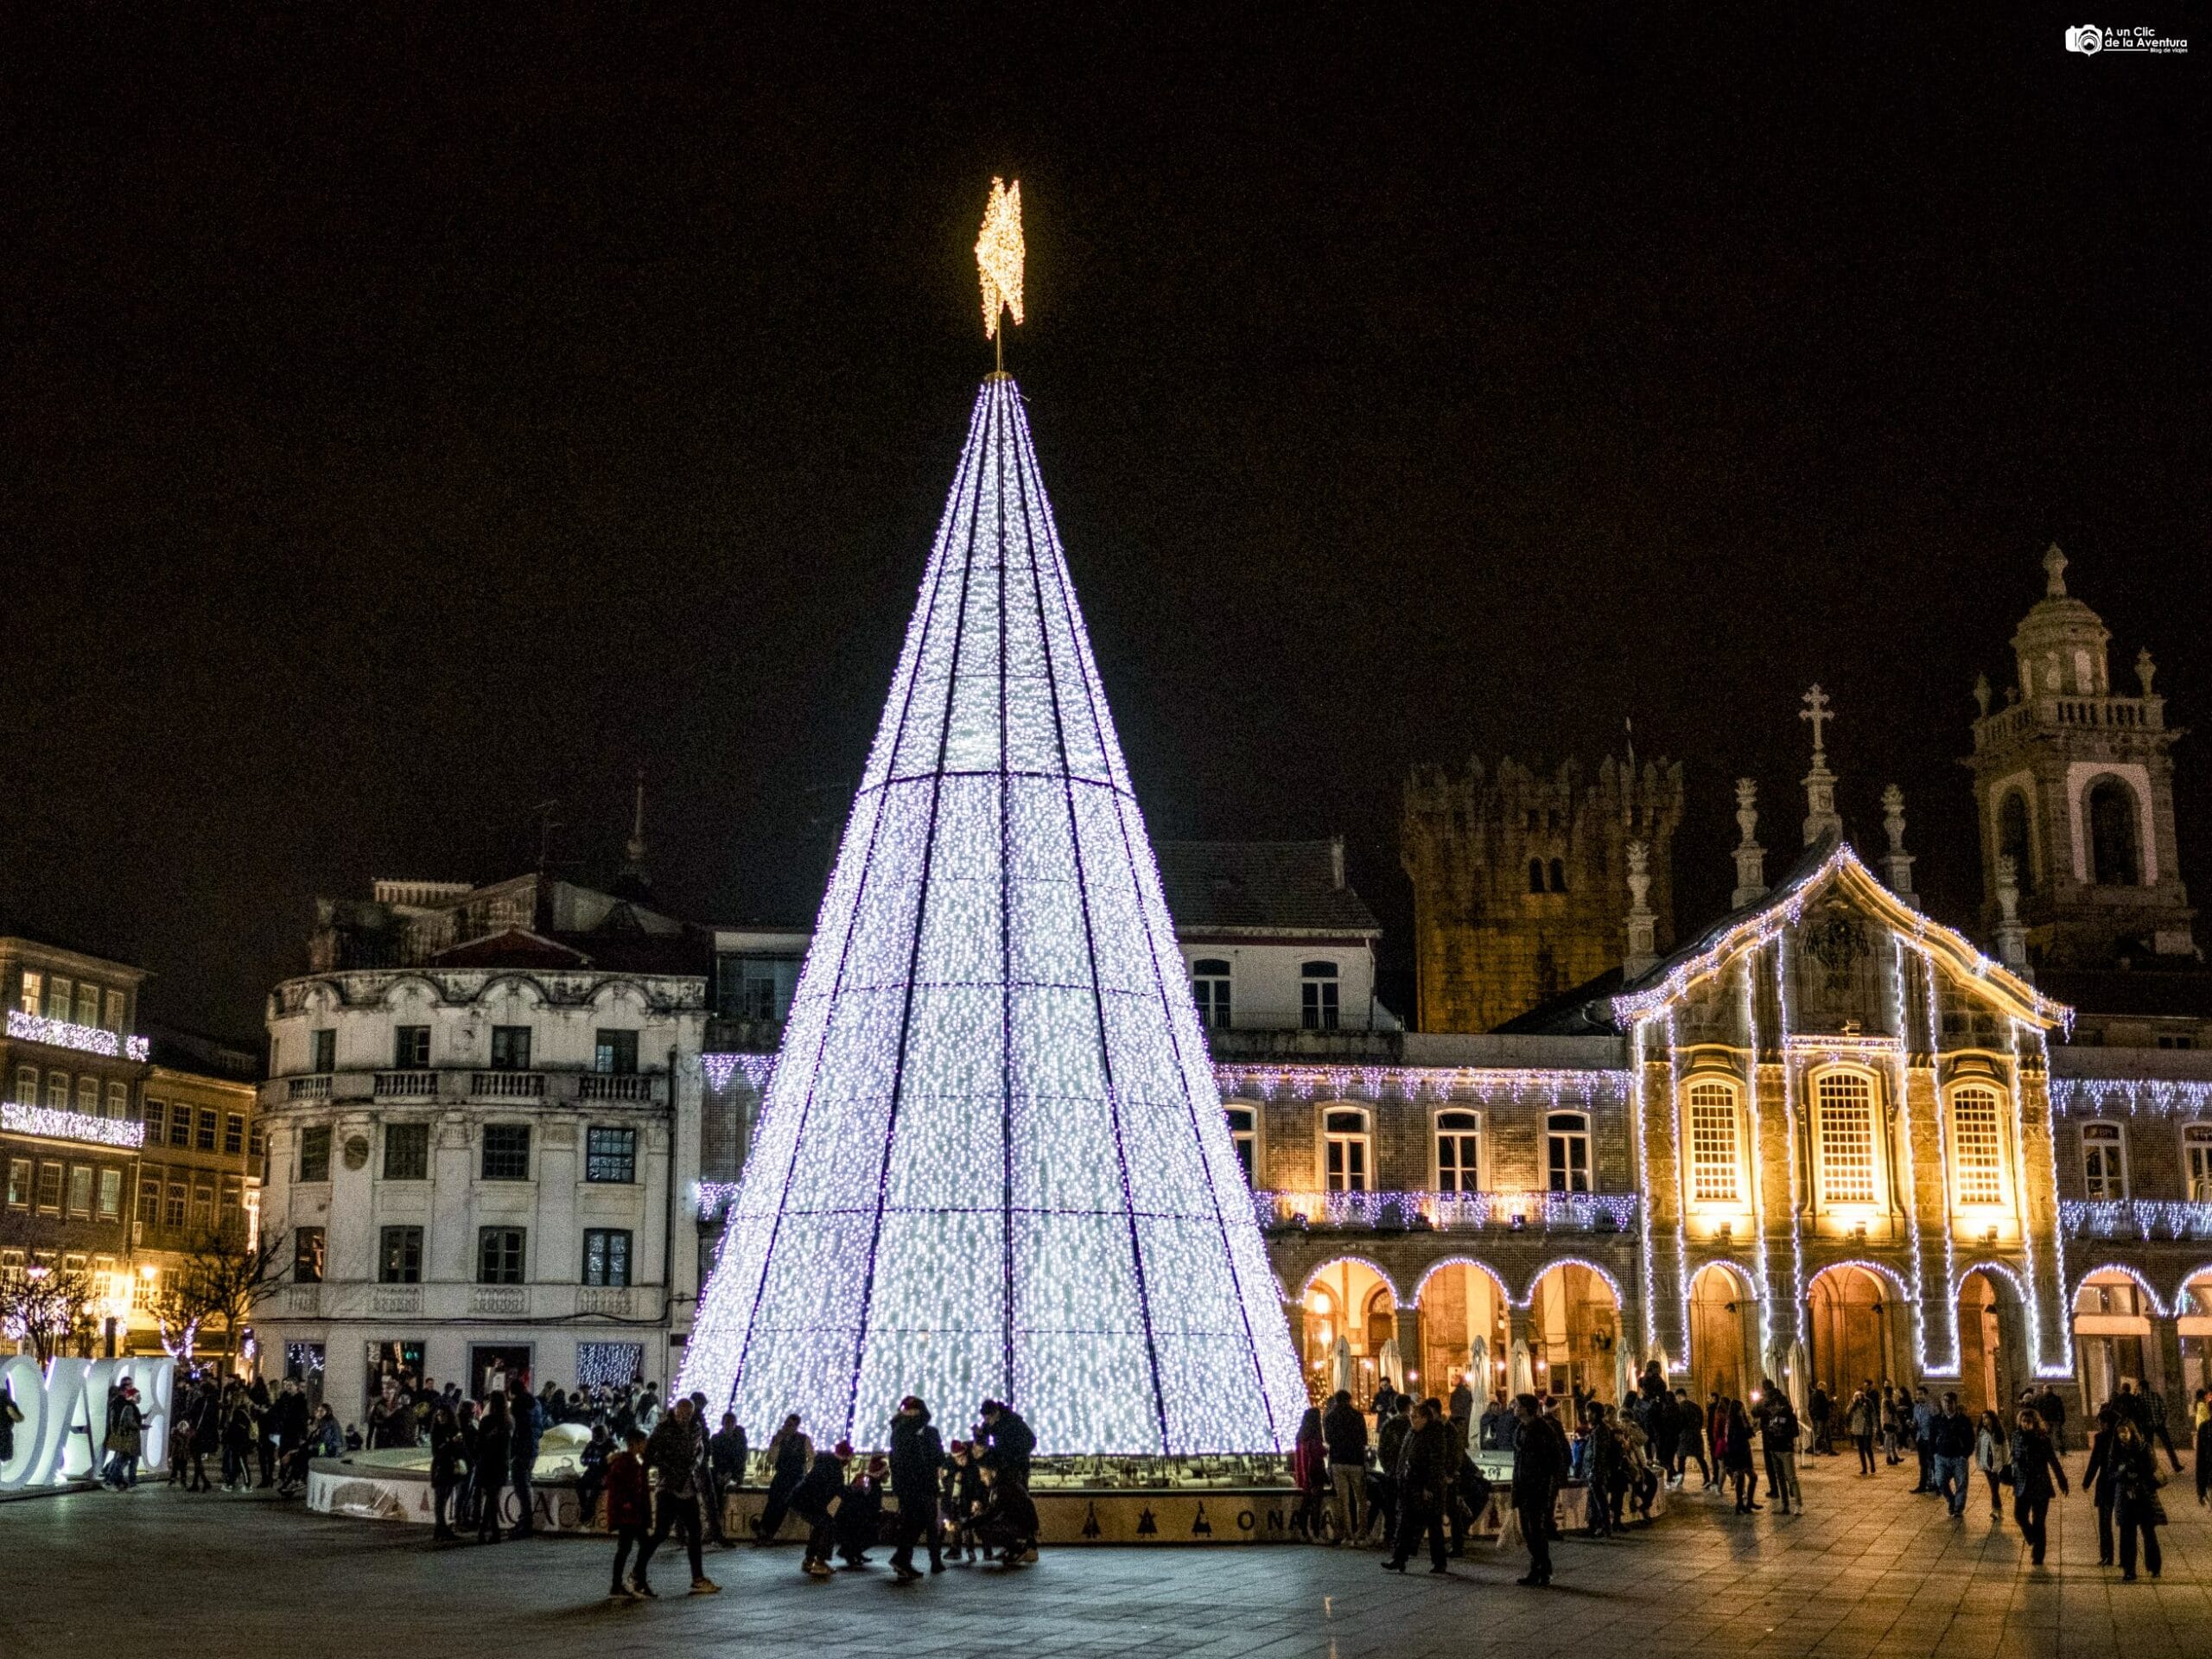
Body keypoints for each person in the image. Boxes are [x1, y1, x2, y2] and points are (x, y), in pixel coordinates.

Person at [639, 1397, 719, 1595]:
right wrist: (666, 1468)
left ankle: (698, 1578)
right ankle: (637, 1573)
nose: (684, 1418)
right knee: (661, 1533)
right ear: (675, 1412)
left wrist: (695, 1464)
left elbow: (700, 1449)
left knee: (695, 1531)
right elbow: (648, 1454)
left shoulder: (695, 1428)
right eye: (681, 1414)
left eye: (688, 1414)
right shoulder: (663, 1429)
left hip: (687, 1486)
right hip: (669, 1487)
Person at [1382, 1399, 1452, 1574]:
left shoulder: (1434, 1435)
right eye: (1411, 1416)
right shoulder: (1411, 1433)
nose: (1412, 1419)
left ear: (1425, 1418)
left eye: (1416, 1417)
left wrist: (1429, 1486)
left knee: (1433, 1525)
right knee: (1404, 1523)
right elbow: (1403, 1457)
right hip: (1409, 1485)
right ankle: (1399, 1558)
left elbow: (1436, 1463)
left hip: (1426, 1487)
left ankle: (1439, 1562)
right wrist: (1399, 1476)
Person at [888, 1395, 945, 1582]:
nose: (914, 1414)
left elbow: (937, 1455)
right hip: (912, 1485)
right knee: (915, 1520)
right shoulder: (903, 1429)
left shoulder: (917, 1431)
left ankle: (903, 1560)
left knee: (919, 1521)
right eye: (910, 1410)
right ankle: (902, 1560)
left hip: (922, 1484)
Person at [1510, 1394, 1564, 1587]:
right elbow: (1518, 1461)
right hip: (1523, 1485)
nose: (1513, 1407)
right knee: (1528, 1530)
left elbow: (1555, 1458)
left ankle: (1543, 1569)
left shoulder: (1542, 1430)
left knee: (1536, 1529)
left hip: (1537, 1487)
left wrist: (1548, 1481)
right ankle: (1537, 1568)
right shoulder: (1520, 1429)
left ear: (1526, 1408)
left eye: (1517, 1404)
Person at [2009, 1407, 2069, 1567]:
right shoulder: (2016, 1436)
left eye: (2029, 1422)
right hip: (2022, 1483)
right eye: (2023, 1421)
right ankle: (2033, 1538)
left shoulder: (2043, 1438)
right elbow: (2013, 1456)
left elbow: (2053, 1461)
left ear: (2035, 1423)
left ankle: (2038, 1555)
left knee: (2039, 1521)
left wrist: (2062, 1480)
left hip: (2040, 1485)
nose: (2026, 1424)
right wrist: (2012, 1466)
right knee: (2019, 1515)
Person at [2112, 1418, 2166, 1581]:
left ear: (2132, 1431)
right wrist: (2123, 1472)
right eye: (2120, 1432)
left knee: (2148, 1532)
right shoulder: (2116, 1450)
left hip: (2143, 1496)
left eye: (2125, 1432)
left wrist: (2136, 1475)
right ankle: (2130, 1570)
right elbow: (2111, 1471)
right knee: (2128, 1535)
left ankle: (2154, 1566)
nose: (2122, 1435)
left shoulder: (2144, 1448)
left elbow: (2152, 1467)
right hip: (2126, 1496)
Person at [792, 1438, 850, 1579]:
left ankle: (809, 1560)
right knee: (828, 1525)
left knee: (821, 1525)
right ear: (846, 1459)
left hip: (800, 1500)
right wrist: (853, 1491)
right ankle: (820, 1562)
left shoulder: (825, 1463)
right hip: (808, 1503)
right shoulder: (835, 1470)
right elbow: (836, 1490)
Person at [605, 1428, 652, 1599]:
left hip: (632, 1512)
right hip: (630, 1513)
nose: (646, 1445)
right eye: (643, 1442)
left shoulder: (630, 1461)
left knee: (631, 1547)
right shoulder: (626, 1463)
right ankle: (628, 1582)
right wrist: (627, 1505)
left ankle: (624, 1583)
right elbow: (624, 1487)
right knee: (633, 1547)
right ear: (636, 1443)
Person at [1321, 1389, 1368, 1545]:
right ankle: (1362, 1533)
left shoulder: (1330, 1417)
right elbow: (1364, 1439)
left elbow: (1328, 1439)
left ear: (1335, 1401)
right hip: (1356, 1461)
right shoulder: (1358, 1416)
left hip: (1338, 1461)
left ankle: (1348, 1535)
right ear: (1350, 1400)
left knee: (1343, 1501)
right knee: (1361, 1499)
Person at [755, 1414, 810, 1542]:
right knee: (772, 1502)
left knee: (783, 1504)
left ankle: (769, 1533)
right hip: (781, 1474)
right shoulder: (778, 1439)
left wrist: (805, 1470)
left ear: (796, 1427)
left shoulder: (803, 1439)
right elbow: (771, 1460)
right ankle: (763, 1530)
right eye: (785, 1424)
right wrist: (776, 1444)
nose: (786, 1427)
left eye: (790, 1425)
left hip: (795, 1476)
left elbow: (811, 1456)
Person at [971, 1463, 1039, 1561]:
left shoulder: (1002, 1487)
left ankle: (1019, 1549)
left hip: (1021, 1526)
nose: (981, 1478)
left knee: (983, 1528)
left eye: (983, 1474)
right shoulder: (1001, 1484)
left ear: (992, 1472)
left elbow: (994, 1513)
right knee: (984, 1525)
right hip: (1021, 1524)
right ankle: (1013, 1549)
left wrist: (964, 1525)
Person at [2083, 1405, 2122, 1566]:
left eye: (2100, 1422)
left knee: (2104, 1522)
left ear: (2106, 1423)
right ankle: (2122, 1558)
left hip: (2107, 1482)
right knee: (2123, 1523)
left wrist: (2087, 1482)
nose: (2099, 1425)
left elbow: (2095, 1462)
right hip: (2119, 1482)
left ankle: (2107, 1556)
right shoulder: (2122, 1436)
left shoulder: (2102, 1438)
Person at [1371, 1394, 1411, 1548]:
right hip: (1407, 1471)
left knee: (1391, 1503)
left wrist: (1387, 1467)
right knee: (1406, 1504)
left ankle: (1390, 1534)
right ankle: (1405, 1536)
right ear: (1408, 1407)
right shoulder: (1411, 1425)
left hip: (1392, 1470)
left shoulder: (1388, 1424)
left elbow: (1381, 1450)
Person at [1754, 1383, 1801, 1516]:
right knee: (1780, 1477)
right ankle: (1785, 1505)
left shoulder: (1788, 1415)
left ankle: (1799, 1504)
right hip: (1774, 1448)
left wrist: (1781, 1432)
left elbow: (1794, 1432)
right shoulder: (1772, 1416)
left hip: (1785, 1449)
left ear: (1776, 1405)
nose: (1769, 1411)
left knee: (1791, 1477)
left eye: (1771, 1408)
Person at [507, 1379, 543, 1539]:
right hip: (533, 1449)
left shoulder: (518, 1404)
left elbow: (519, 1429)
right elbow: (539, 1430)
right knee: (525, 1483)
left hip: (522, 1450)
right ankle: (524, 1521)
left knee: (521, 1486)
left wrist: (513, 1449)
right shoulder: (536, 1403)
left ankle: (526, 1523)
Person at [837, 1456, 887, 1567]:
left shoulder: (870, 1481)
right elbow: (860, 1495)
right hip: (856, 1516)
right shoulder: (868, 1481)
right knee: (869, 1533)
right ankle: (851, 1554)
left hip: (858, 1515)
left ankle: (855, 1553)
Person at [1931, 1391, 1975, 1517]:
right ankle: (1951, 1500)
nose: (1947, 1405)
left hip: (1958, 1457)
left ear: (1955, 1404)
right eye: (1945, 1402)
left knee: (1961, 1483)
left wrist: (1965, 1455)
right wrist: (1933, 1454)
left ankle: (1958, 1508)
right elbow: (1932, 1438)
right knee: (1940, 1481)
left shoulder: (1964, 1420)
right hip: (1941, 1456)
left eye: (1950, 1402)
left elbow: (1971, 1439)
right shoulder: (1937, 1420)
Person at [475, 1394, 512, 1542]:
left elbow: (479, 1444)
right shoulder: (508, 1422)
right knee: (492, 1498)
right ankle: (488, 1531)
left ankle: (487, 1532)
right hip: (501, 1464)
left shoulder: (486, 1421)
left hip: (487, 1462)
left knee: (491, 1499)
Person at [708, 1410, 748, 1546]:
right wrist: (720, 1473)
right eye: (726, 1423)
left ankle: (716, 1529)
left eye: (731, 1423)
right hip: (721, 1471)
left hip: (734, 1472)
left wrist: (730, 1473)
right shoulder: (716, 1438)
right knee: (716, 1492)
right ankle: (715, 1529)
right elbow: (716, 1458)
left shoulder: (740, 1439)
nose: (729, 1425)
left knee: (721, 1491)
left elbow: (740, 1459)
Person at [977, 1398, 1034, 1489]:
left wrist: (1013, 1455)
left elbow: (1031, 1441)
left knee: (1017, 1496)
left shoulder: (1014, 1422)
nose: (986, 1422)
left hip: (1017, 1468)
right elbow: (983, 1438)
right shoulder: (992, 1423)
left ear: (995, 1413)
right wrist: (979, 1435)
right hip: (1003, 1468)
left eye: (988, 1419)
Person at [1291, 1406, 1329, 1541]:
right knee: (1316, 1504)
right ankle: (1316, 1533)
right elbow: (1318, 1452)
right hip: (1315, 1471)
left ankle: (1303, 1532)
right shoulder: (1314, 1436)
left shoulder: (1301, 1435)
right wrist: (1326, 1450)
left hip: (1305, 1473)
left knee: (1306, 1503)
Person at [270, 1379, 311, 1497]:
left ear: (296, 1387)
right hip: (285, 1432)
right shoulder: (285, 1399)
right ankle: (286, 1480)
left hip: (294, 1433)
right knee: (283, 1456)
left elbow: (302, 1418)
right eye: (286, 1385)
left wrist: (303, 1435)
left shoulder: (300, 1401)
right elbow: (277, 1412)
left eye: (290, 1385)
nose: (288, 1387)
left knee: (290, 1457)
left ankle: (292, 1481)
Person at [102, 1380, 143, 1491]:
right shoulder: (128, 1406)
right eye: (136, 1396)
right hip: (129, 1437)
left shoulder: (128, 1405)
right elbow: (128, 1422)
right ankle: (111, 1481)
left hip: (129, 1437)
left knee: (127, 1460)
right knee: (123, 1460)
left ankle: (128, 1483)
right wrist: (139, 1426)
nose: (138, 1398)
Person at [1974, 1409, 2010, 1522]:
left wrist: (2006, 1463)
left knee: (1994, 1488)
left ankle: (1996, 1510)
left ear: (1992, 1419)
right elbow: (1978, 1449)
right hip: (1987, 1464)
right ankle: (1997, 1510)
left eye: (1987, 1418)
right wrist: (1979, 1462)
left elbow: (2005, 1448)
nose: (1985, 1420)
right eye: (1983, 1418)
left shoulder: (1999, 1432)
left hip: (1997, 1464)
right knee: (1994, 1488)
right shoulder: (1981, 1433)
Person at [1674, 1389, 1711, 1488]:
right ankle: (1707, 1479)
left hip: (1684, 1437)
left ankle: (1680, 1480)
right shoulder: (1697, 1407)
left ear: (1679, 1396)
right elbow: (1701, 1421)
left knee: (1681, 1459)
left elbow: (1678, 1424)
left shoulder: (1679, 1408)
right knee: (1701, 1459)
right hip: (1696, 1436)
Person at [1846, 1385, 1878, 1477]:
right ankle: (1864, 1468)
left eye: (1860, 1394)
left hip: (1867, 1428)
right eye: (1857, 1394)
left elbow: (1873, 1414)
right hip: (1857, 1428)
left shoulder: (1868, 1402)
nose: (1858, 1395)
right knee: (1860, 1449)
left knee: (1868, 1447)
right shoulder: (1853, 1402)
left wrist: (1875, 1426)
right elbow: (1847, 1412)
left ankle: (1872, 1466)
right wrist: (1853, 1403)